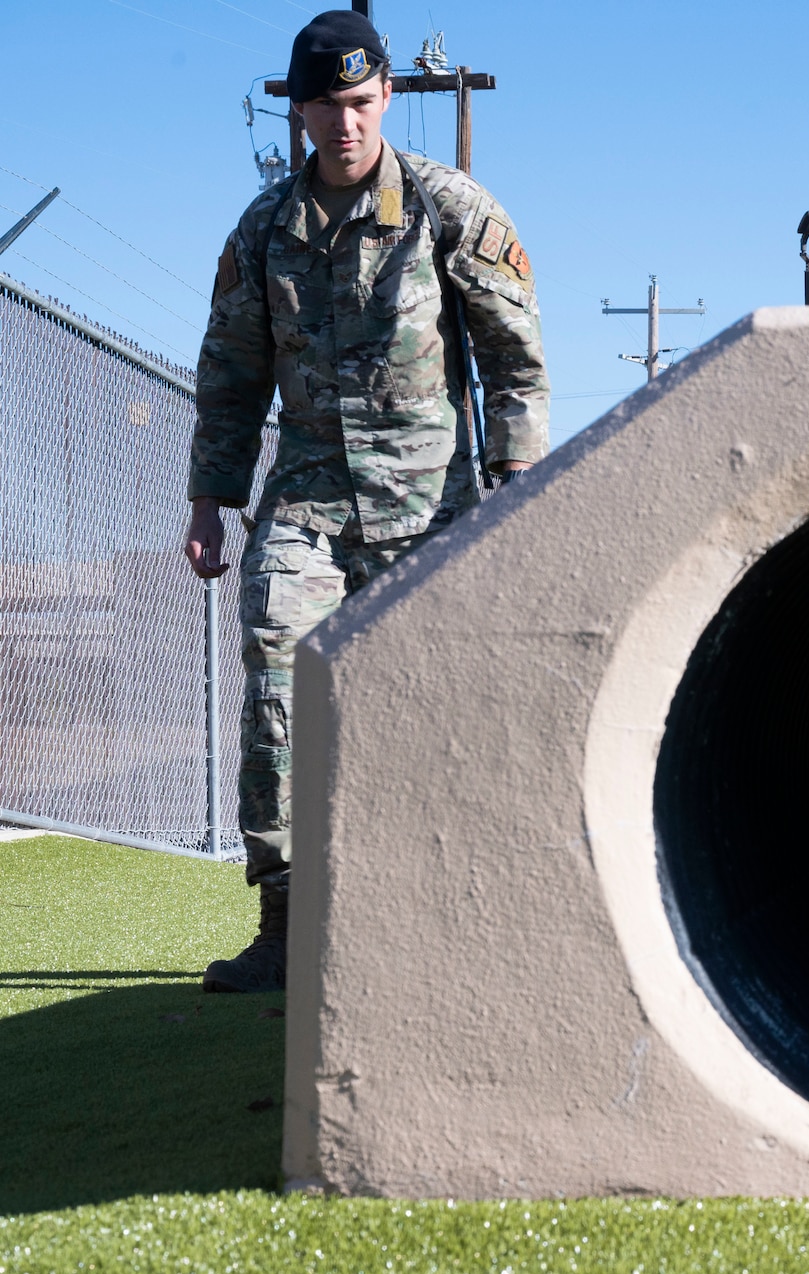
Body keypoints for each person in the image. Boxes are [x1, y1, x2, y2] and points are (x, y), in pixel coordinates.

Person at [185, 10, 549, 992]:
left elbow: (515, 357)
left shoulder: (450, 207)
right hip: (306, 499)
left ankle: (463, 909)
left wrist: (518, 479)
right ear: (296, 112)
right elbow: (230, 372)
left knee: (447, 705)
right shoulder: (265, 231)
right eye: (323, 108)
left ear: (384, 98)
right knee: (275, 671)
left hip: (432, 500)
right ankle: (287, 916)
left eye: (359, 103)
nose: (343, 125)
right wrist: (210, 498)